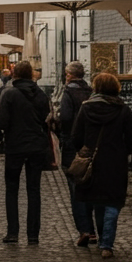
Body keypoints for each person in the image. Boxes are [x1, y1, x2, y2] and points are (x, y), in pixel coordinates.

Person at [69, 72, 132, 259]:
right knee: (112, 202)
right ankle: (106, 243)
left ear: (96, 87)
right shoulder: (122, 109)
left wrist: (86, 149)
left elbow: (76, 138)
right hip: (115, 162)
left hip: (92, 162)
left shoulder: (86, 108)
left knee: (97, 201)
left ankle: (101, 237)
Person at [0, 61, 52, 244]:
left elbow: (1, 121)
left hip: (15, 146)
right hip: (36, 145)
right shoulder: (41, 94)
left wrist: (0, 134)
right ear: (31, 75)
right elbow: (46, 116)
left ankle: (13, 233)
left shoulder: (9, 93)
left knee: (12, 189)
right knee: (34, 190)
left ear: (14, 75)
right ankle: (33, 235)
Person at [55, 61, 96, 246]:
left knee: (75, 187)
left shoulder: (69, 92)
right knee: (89, 184)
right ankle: (93, 229)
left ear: (70, 75)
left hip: (73, 144)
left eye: (66, 74)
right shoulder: (90, 91)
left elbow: (64, 116)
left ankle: (85, 229)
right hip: (90, 144)